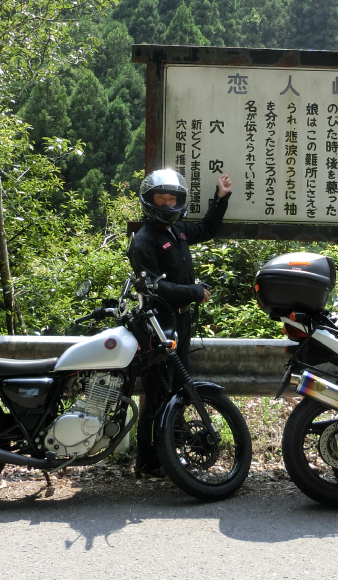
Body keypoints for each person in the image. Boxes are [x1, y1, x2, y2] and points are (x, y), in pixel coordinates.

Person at [127, 168, 232, 478]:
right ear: (150, 200)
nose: (169, 203)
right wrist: (194, 291)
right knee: (157, 394)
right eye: (162, 197)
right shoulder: (144, 240)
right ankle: (148, 461)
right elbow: (153, 288)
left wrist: (220, 198)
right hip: (158, 326)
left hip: (180, 323)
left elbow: (209, 229)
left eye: (173, 198)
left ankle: (169, 456)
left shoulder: (178, 232)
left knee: (176, 392)